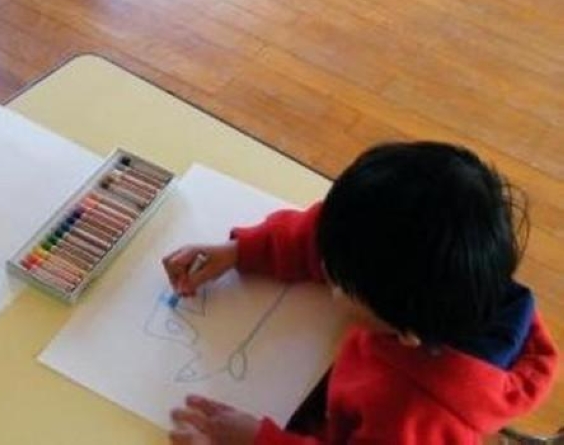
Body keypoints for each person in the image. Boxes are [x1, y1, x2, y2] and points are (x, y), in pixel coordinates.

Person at [161, 141, 558, 443]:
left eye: (339, 282)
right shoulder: (434, 270)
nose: (325, 269)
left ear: (405, 334)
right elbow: (332, 236)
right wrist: (241, 250)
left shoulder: (412, 417)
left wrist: (258, 439)